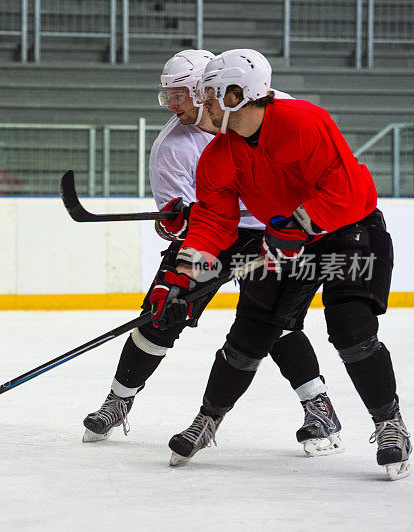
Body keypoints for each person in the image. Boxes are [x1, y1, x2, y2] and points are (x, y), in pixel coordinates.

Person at [152, 49, 410, 480]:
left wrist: (297, 224)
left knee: (350, 327)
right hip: (292, 239)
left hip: (350, 231)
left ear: (237, 94)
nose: (203, 106)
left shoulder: (302, 121)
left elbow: (347, 192)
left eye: (209, 95)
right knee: (251, 333)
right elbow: (213, 226)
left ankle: (390, 425)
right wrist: (177, 279)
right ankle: (208, 420)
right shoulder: (218, 156)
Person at [82, 49, 345, 458]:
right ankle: (118, 400)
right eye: (167, 96)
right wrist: (174, 224)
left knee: (274, 324)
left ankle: (319, 408)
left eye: (181, 95)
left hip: (273, 232)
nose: (173, 105)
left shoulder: (274, 112)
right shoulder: (171, 148)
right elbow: (194, 226)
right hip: (218, 234)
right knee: (159, 314)